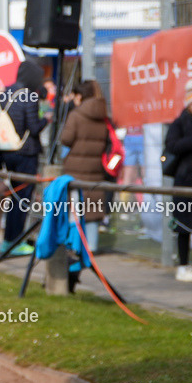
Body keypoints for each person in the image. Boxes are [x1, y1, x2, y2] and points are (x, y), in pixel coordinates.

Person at [0, 60, 46, 254]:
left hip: (5, 153)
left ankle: (9, 239)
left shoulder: (2, 93)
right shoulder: (29, 96)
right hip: (26, 153)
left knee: (12, 196)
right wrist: (47, 118)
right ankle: (12, 241)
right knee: (22, 198)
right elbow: (34, 128)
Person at [60, 80, 111, 253]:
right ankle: (93, 247)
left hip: (75, 168)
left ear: (80, 96)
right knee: (93, 207)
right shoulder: (104, 116)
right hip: (96, 168)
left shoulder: (76, 115)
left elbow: (65, 139)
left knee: (74, 208)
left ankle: (75, 245)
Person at [164, 79, 192, 282]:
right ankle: (182, 265)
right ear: (188, 104)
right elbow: (172, 146)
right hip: (183, 180)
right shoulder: (179, 123)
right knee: (183, 226)